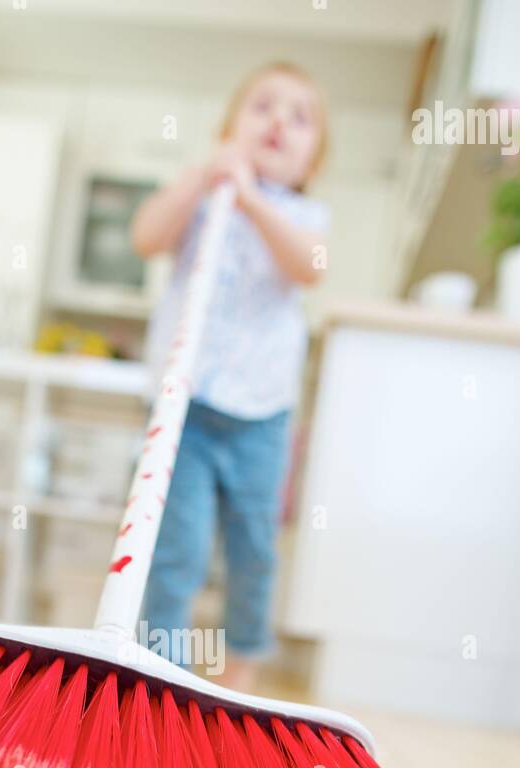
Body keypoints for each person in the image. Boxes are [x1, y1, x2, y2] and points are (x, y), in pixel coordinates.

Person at [131, 61, 329, 691]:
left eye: (299, 118)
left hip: (261, 417)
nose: (278, 121)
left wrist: (250, 200)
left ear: (311, 159)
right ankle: (163, 674)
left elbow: (310, 268)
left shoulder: (305, 216)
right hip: (184, 408)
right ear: (229, 129)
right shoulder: (199, 197)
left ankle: (238, 672)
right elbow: (145, 236)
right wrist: (204, 179)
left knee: (254, 552)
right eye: (263, 106)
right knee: (175, 551)